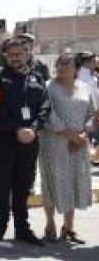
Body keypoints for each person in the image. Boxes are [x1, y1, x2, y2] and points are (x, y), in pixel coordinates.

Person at [0, 37, 51, 245]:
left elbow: (45, 106)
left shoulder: (38, 77)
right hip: (5, 139)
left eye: (19, 54)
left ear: (27, 55)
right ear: (6, 56)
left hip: (30, 139)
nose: (15, 58)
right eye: (11, 55)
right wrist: (16, 129)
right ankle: (0, 228)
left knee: (23, 186)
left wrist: (32, 128)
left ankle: (22, 229)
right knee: (4, 185)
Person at [38, 52, 95, 243]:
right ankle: (50, 223)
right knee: (52, 183)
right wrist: (70, 135)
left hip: (79, 144)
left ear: (77, 69)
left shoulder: (86, 87)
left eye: (68, 64)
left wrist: (84, 134)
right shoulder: (47, 87)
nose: (62, 67)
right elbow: (47, 115)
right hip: (54, 143)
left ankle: (68, 227)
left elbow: (92, 114)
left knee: (73, 184)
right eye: (60, 63)